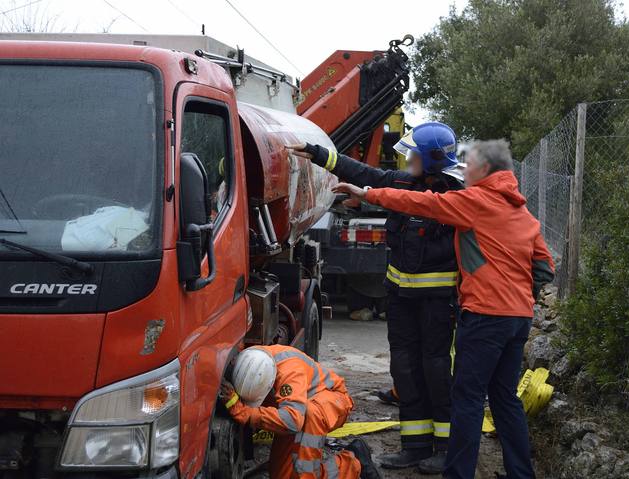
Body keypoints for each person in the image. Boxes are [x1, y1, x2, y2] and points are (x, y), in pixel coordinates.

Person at [332, 139, 556, 479]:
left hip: (484, 316)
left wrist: (367, 194)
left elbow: (421, 202)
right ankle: (520, 474)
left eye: (471, 164)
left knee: (467, 399)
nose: (464, 169)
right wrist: (521, 293)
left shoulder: (475, 201)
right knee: (505, 399)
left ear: (487, 170)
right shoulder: (522, 213)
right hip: (518, 319)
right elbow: (544, 266)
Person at [288, 122, 463, 473]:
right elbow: (363, 172)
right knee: (404, 369)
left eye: (415, 155)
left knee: (436, 371)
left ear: (431, 159)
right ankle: (414, 446)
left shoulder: (455, 195)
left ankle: (446, 448)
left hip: (437, 304)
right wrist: (319, 154)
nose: (408, 160)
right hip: (401, 300)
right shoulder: (403, 182)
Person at [220, 345, 381, 479]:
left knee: (304, 468)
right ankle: (351, 460)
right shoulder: (251, 361)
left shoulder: (290, 372)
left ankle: (352, 464)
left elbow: (292, 420)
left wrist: (246, 413)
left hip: (333, 401)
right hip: (298, 412)